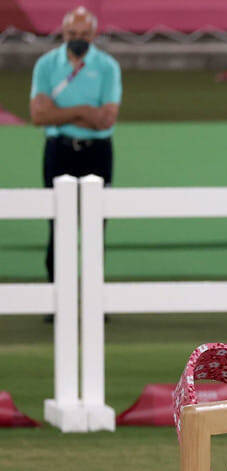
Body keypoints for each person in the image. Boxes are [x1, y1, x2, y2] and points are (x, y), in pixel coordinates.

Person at [29, 6, 121, 288]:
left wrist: (61, 112)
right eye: (72, 33)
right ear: (63, 33)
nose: (77, 38)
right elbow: (38, 115)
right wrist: (84, 111)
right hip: (59, 150)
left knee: (96, 227)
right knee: (58, 225)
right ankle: (57, 294)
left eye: (83, 34)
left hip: (98, 152)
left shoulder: (107, 67)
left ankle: (95, 294)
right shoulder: (46, 65)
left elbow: (106, 119)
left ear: (93, 34)